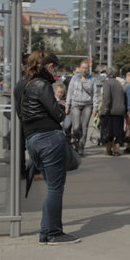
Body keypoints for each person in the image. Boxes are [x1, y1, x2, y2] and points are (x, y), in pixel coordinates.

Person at [14, 50, 80, 245]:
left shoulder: (20, 84)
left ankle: (45, 232)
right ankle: (54, 233)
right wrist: (60, 109)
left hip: (31, 139)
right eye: (55, 67)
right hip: (50, 138)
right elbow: (58, 115)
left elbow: (20, 113)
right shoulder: (42, 84)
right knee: (55, 188)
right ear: (49, 66)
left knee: (52, 187)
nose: (55, 71)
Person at [66, 61, 94, 155]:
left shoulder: (91, 79)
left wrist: (95, 107)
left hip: (87, 105)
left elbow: (94, 95)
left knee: (84, 127)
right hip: (76, 105)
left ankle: (81, 147)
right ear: (79, 68)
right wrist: (67, 105)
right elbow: (69, 92)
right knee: (76, 127)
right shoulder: (74, 78)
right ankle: (76, 143)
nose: (84, 69)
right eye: (83, 67)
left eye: (86, 68)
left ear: (88, 69)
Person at [100, 66, 126, 156]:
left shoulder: (107, 83)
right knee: (118, 130)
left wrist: (105, 108)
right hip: (120, 110)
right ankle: (117, 149)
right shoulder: (119, 83)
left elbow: (107, 97)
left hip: (111, 111)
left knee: (108, 130)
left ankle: (108, 149)